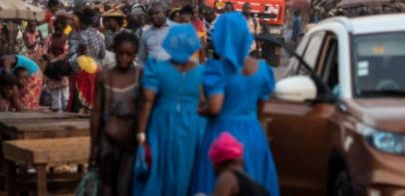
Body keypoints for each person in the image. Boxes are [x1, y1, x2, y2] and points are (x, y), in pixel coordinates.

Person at [192, 12, 279, 196]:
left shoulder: (217, 69)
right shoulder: (263, 70)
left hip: (221, 136)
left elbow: (215, 107)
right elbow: (261, 109)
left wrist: (201, 109)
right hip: (253, 135)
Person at [134, 24, 205, 196]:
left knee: (160, 166)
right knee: (187, 168)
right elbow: (203, 101)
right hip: (193, 126)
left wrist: (141, 132)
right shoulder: (202, 72)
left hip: (161, 123)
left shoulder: (156, 68)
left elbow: (147, 100)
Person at [90, 32, 140, 196]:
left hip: (131, 138)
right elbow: (97, 111)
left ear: (135, 54)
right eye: (120, 53)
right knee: (107, 182)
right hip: (108, 137)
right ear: (114, 51)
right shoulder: (104, 76)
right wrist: (94, 145)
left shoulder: (140, 75)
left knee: (126, 184)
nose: (124, 58)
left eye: (129, 54)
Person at [43, 17, 71, 112]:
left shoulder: (67, 38)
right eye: (56, 28)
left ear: (64, 28)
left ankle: (65, 110)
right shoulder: (50, 37)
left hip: (62, 68)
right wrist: (49, 58)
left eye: (60, 29)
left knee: (64, 93)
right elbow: (44, 51)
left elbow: (68, 53)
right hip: (52, 68)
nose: (58, 31)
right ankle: (56, 110)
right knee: (54, 92)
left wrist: (58, 60)